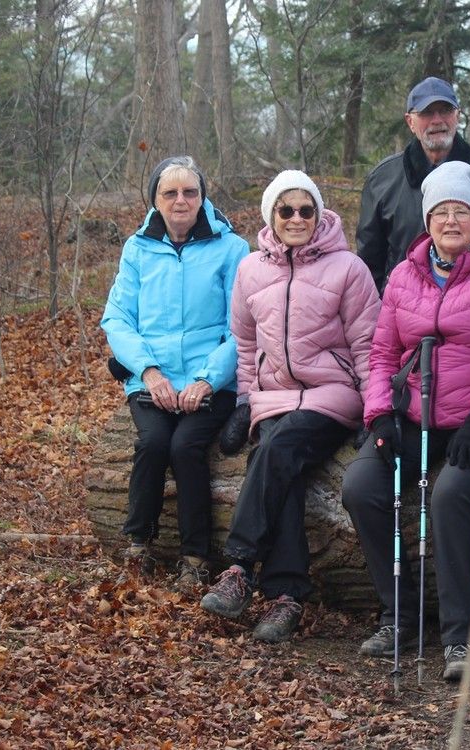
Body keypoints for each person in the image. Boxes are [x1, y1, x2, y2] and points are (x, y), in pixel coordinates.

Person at [342, 160, 470, 680]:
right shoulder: (404, 275)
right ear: (427, 220)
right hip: (414, 412)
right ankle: (399, 614)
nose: (451, 221)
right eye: (441, 212)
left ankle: (458, 638)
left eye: (461, 211)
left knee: (449, 495)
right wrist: (380, 414)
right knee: (361, 486)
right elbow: (381, 354)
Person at [198, 170, 380, 643]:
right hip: (272, 398)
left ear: (319, 215)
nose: (296, 218)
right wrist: (243, 403)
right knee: (279, 466)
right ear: (271, 216)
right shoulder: (251, 270)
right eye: (286, 209)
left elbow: (368, 344)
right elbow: (242, 343)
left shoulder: (348, 268)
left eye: (306, 209)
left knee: (278, 451)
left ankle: (239, 564)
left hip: (331, 394)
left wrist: (374, 407)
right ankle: (286, 597)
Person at [101, 155, 249, 588]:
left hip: (213, 380)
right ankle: (139, 544)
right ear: (156, 200)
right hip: (153, 380)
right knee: (153, 442)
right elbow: (117, 319)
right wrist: (147, 371)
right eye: (170, 193)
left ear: (203, 198)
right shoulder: (137, 248)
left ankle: (195, 557)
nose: (181, 200)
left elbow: (241, 327)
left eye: (190, 192)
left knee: (186, 447)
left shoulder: (232, 249)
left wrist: (208, 379)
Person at [356, 76, 470, 292]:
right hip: (404, 315)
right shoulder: (382, 181)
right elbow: (369, 267)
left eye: (445, 110)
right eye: (427, 112)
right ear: (410, 121)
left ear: (457, 115)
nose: (437, 120)